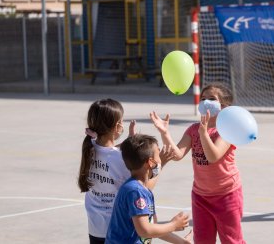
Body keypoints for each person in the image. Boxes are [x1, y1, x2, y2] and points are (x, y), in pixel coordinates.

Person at [150, 83, 245, 244]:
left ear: (223, 106)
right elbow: (178, 154)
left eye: (212, 99)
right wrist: (165, 133)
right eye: (203, 98)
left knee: (231, 240)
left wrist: (204, 133)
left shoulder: (226, 129)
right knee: (202, 240)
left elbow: (213, 156)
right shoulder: (194, 129)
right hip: (201, 196)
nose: (206, 102)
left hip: (227, 195)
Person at [105, 134, 192, 244]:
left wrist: (182, 242)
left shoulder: (142, 190)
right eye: (158, 155)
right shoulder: (135, 191)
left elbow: (152, 228)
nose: (160, 159)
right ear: (151, 162)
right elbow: (145, 230)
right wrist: (173, 225)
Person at [77, 98, 135, 244]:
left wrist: (127, 144)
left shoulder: (89, 147)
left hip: (95, 229)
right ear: (117, 126)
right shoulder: (121, 158)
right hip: (118, 228)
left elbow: (108, 150)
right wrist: (160, 164)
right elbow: (140, 184)